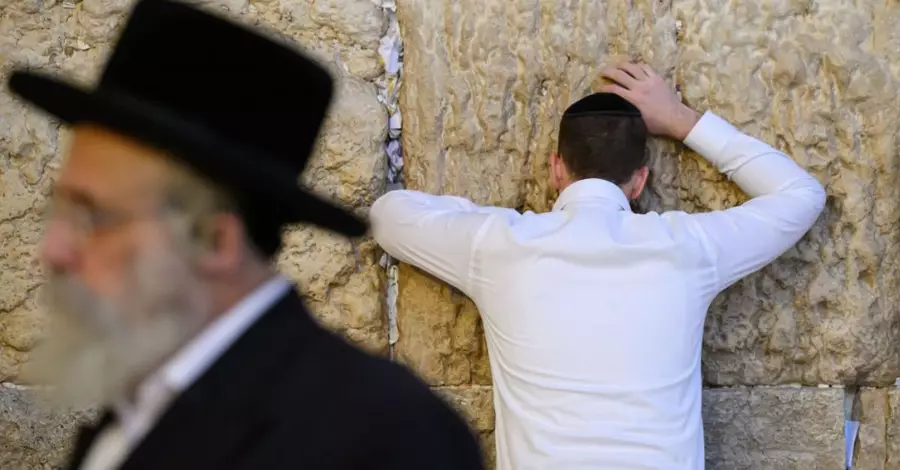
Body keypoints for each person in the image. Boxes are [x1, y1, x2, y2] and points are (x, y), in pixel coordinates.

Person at [8, 0, 485, 469]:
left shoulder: (385, 434)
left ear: (216, 242)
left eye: (95, 218)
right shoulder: (139, 404)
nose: (53, 250)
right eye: (61, 209)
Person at [370, 62, 827, 469]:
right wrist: (683, 121)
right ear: (639, 181)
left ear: (556, 169)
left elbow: (388, 216)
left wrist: (482, 221)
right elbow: (800, 195)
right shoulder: (688, 249)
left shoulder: (500, 245)